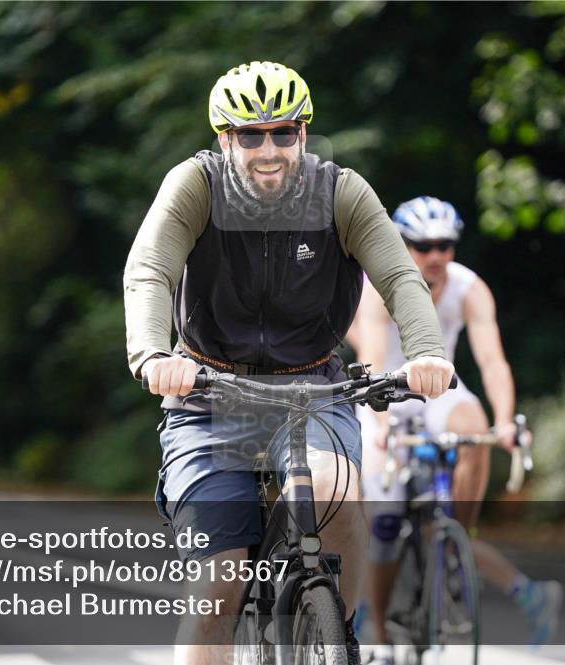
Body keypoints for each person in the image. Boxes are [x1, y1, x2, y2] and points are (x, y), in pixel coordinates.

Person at [123, 62, 455, 665]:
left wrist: (426, 352)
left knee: (336, 493)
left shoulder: (340, 193)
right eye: (251, 136)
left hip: (314, 390)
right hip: (209, 393)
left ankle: (338, 633)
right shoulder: (195, 186)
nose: (269, 150)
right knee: (218, 587)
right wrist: (151, 354)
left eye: (283, 133)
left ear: (303, 133)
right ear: (225, 139)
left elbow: (401, 279)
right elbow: (150, 271)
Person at [346, 196, 563, 662]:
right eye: (423, 246)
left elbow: (492, 362)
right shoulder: (377, 286)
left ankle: (453, 538)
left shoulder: (468, 287)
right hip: (384, 391)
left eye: (445, 245)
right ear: (402, 245)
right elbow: (372, 358)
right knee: (384, 515)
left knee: (474, 425)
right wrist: (381, 426)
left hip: (437, 390)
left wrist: (504, 422)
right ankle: (377, 629)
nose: (436, 255)